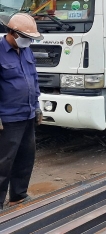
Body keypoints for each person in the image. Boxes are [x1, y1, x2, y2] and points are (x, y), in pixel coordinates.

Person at [0, 13, 43, 210]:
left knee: (26, 156)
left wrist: (37, 107)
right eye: (26, 37)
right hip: (8, 118)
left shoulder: (26, 51)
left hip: (27, 114)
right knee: (4, 161)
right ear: (12, 33)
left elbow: (33, 79)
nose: (29, 41)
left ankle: (18, 195)